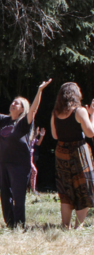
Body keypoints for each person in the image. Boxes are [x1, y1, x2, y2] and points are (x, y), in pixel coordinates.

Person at [0, 78, 50, 228]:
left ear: (22, 108)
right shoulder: (4, 120)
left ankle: (19, 225)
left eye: (17, 103)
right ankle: (10, 224)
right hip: (3, 163)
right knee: (5, 196)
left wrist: (39, 90)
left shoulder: (24, 122)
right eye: (13, 102)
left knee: (18, 196)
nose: (13, 103)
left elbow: (33, 109)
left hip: (20, 165)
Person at [50, 82, 94, 229]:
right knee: (85, 188)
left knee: (66, 190)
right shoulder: (80, 111)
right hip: (79, 153)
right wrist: (92, 115)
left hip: (61, 153)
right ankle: (78, 225)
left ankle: (65, 225)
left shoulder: (55, 113)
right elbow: (90, 133)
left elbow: (55, 135)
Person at [30, 127, 46, 194]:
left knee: (33, 172)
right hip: (24, 158)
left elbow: (38, 143)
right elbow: (30, 140)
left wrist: (42, 136)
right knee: (34, 171)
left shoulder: (34, 138)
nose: (37, 131)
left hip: (30, 158)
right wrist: (36, 134)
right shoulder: (28, 136)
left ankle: (33, 189)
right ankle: (32, 189)